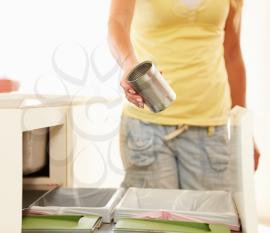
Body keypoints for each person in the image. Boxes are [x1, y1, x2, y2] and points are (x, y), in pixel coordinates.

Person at [107, 0, 260, 190]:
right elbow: (117, 22)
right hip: (146, 128)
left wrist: (244, 134)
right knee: (152, 218)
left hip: (210, 128)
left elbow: (232, 54)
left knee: (208, 217)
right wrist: (129, 63)